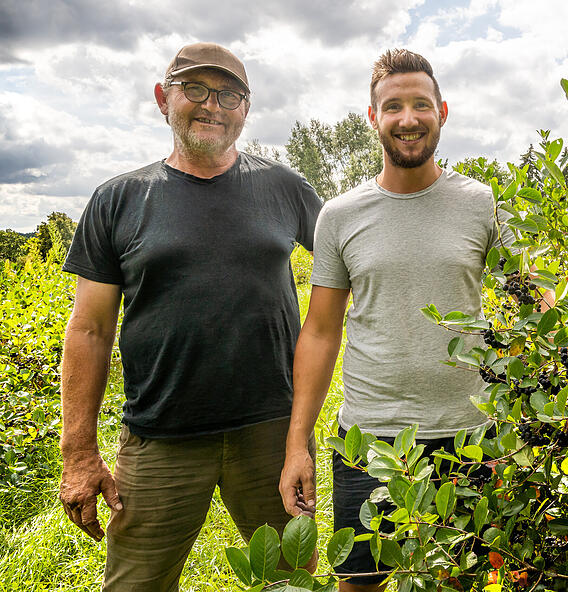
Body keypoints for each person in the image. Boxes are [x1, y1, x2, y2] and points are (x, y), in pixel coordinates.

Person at [59, 42, 322, 590]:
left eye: (229, 94)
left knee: (291, 583)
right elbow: (89, 329)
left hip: (273, 435)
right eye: (195, 89)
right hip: (160, 439)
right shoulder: (119, 200)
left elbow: (351, 265)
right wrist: (79, 453)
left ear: (246, 109)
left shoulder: (284, 188)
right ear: (163, 97)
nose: (213, 105)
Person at [279, 49, 516, 592]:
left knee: (468, 578)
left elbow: (530, 302)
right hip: (371, 439)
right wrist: (299, 444)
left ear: (442, 111)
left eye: (420, 105)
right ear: (373, 117)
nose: (408, 119)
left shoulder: (482, 204)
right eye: (393, 107)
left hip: (469, 434)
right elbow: (320, 332)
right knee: (361, 583)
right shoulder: (339, 216)